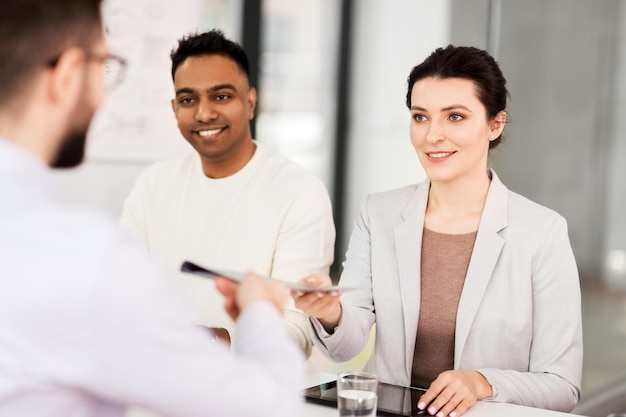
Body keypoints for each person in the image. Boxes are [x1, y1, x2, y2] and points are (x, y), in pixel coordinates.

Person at [0, 1, 304, 416]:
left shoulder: (295, 188)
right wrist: (260, 311)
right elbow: (264, 405)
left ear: (250, 102)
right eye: (105, 66)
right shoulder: (87, 258)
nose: (106, 90)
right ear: (69, 74)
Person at [293, 45, 583, 416]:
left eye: (455, 117)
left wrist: (481, 382)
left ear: (495, 124)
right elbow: (345, 347)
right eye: (420, 117)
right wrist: (330, 311)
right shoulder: (379, 213)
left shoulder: (542, 232)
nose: (433, 135)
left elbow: (562, 386)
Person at [119, 29, 335, 355]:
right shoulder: (153, 184)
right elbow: (121, 291)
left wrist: (197, 341)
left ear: (250, 102)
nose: (204, 113)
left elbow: (296, 330)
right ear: (175, 108)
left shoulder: (299, 192)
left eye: (221, 96)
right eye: (188, 100)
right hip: (155, 388)